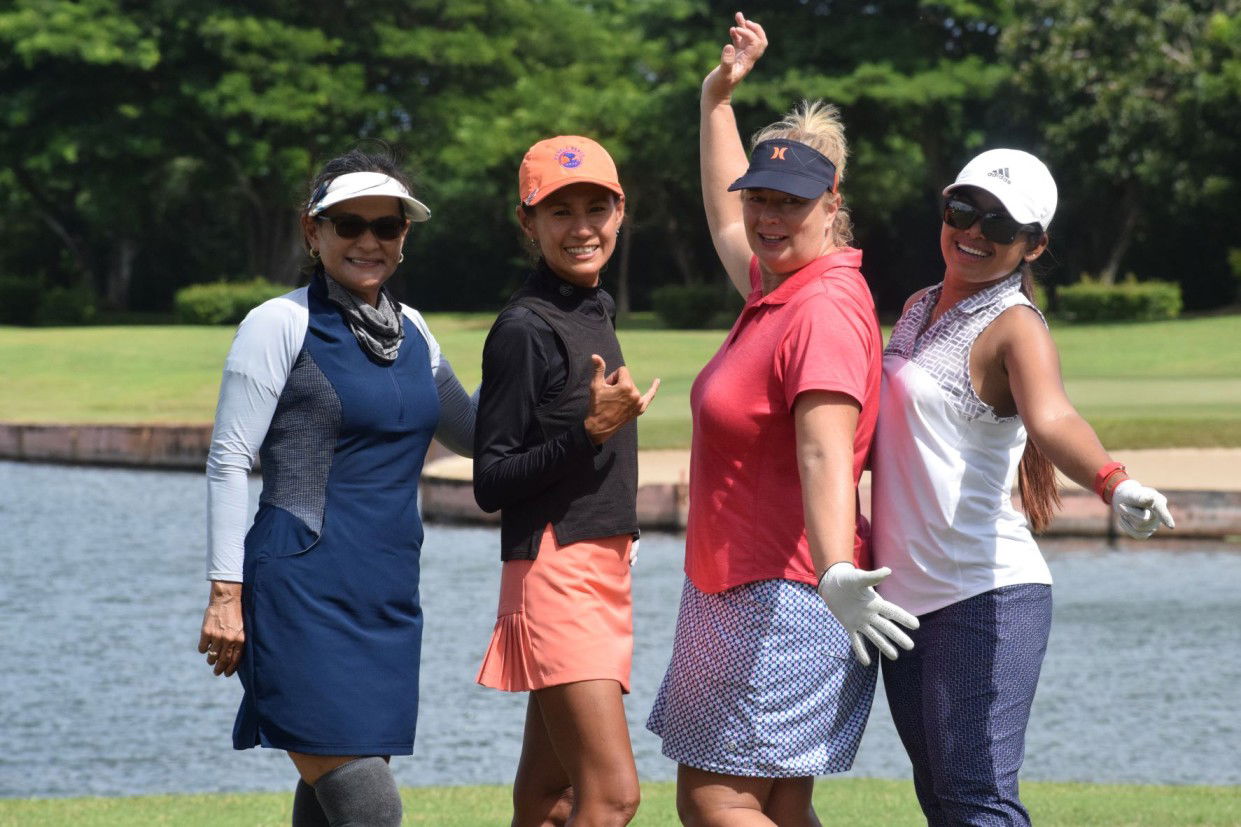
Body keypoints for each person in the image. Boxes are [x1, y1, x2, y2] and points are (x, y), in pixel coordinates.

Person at [645, 14, 919, 826]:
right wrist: (715, 101)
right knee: (775, 799)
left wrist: (836, 570)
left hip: (788, 591)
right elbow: (727, 222)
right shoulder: (778, 287)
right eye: (760, 198)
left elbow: (825, 454)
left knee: (714, 800)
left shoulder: (823, 309)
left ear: (831, 201)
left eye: (788, 202)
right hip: (745, 589)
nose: (766, 217)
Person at [871, 147, 1176, 825]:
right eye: (962, 210)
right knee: (942, 799)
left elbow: (1052, 416)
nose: (973, 232)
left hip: (983, 593)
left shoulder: (1015, 324)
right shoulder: (917, 305)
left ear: (1032, 245)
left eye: (1000, 226)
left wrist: (1111, 481)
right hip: (904, 601)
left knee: (977, 799)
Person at [196, 148, 476, 827]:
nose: (368, 241)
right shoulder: (279, 323)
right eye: (348, 223)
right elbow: (230, 459)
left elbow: (476, 433)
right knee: (368, 805)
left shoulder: (415, 333)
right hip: (299, 591)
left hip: (385, 595)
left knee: (330, 802)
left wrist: (576, 415)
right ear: (311, 232)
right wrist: (225, 592)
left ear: (404, 238)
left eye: (388, 226)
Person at [472, 135, 659, 827]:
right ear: (528, 222)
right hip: (556, 571)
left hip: (600, 563)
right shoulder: (524, 328)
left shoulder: (592, 307)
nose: (581, 227)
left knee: (548, 801)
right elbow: (491, 479)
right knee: (611, 797)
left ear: (619, 212)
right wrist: (588, 434)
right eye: (559, 211)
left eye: (595, 207)